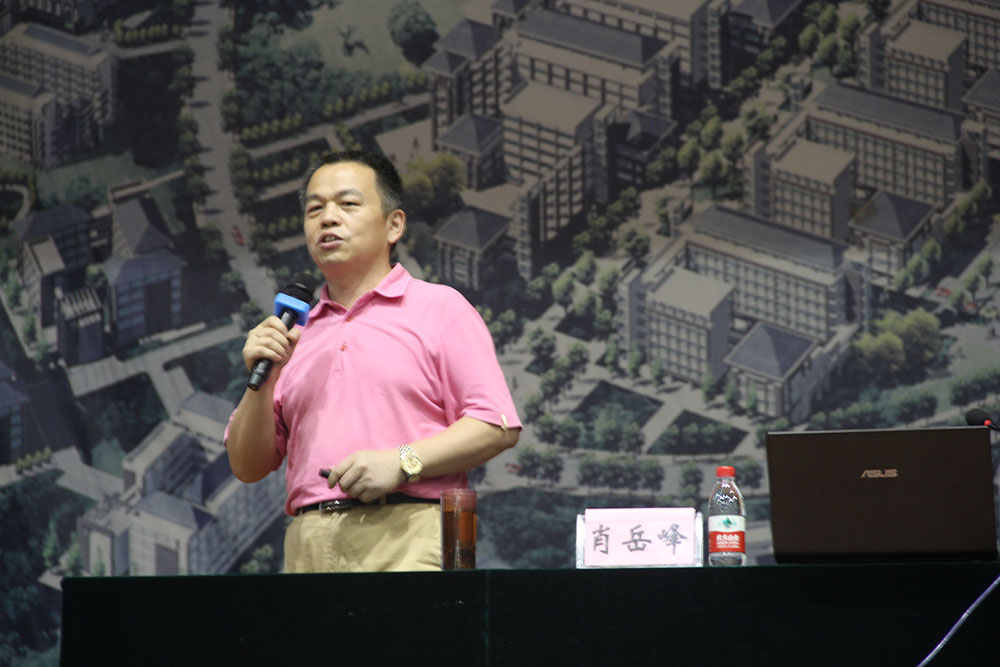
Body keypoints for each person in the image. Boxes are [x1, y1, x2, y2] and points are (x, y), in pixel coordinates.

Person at [225, 150, 521, 572]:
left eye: (347, 203)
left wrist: (401, 461)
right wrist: (264, 381)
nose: (328, 218)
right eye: (314, 209)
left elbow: (496, 425)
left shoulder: (440, 308)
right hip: (309, 541)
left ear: (393, 225)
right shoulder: (290, 335)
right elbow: (247, 466)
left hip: (409, 534)